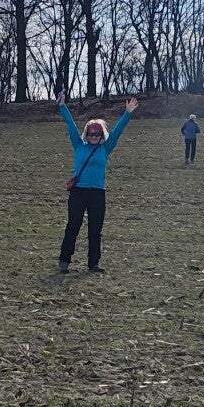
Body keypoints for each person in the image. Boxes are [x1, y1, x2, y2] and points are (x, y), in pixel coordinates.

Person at [58, 91, 137, 273]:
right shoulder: (79, 145)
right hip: (78, 192)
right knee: (73, 226)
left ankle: (93, 263)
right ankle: (64, 260)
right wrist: (62, 106)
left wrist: (127, 113)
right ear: (86, 134)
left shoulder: (106, 148)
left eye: (97, 134)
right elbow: (71, 125)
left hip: (98, 193)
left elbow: (118, 131)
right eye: (91, 133)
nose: (94, 136)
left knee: (95, 229)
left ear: (102, 135)